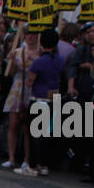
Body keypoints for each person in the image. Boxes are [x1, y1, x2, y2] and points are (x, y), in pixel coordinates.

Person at [24, 28, 65, 176]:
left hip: (38, 98)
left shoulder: (38, 62)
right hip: (53, 99)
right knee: (47, 133)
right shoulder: (61, 61)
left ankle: (33, 165)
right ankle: (44, 164)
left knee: (35, 134)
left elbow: (29, 82)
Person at [2, 24, 36, 172]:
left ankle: (27, 159)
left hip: (31, 88)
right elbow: (10, 73)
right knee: (13, 123)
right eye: (28, 34)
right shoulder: (17, 52)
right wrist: (11, 62)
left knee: (27, 126)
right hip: (17, 87)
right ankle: (11, 157)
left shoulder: (40, 52)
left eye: (33, 34)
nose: (31, 37)